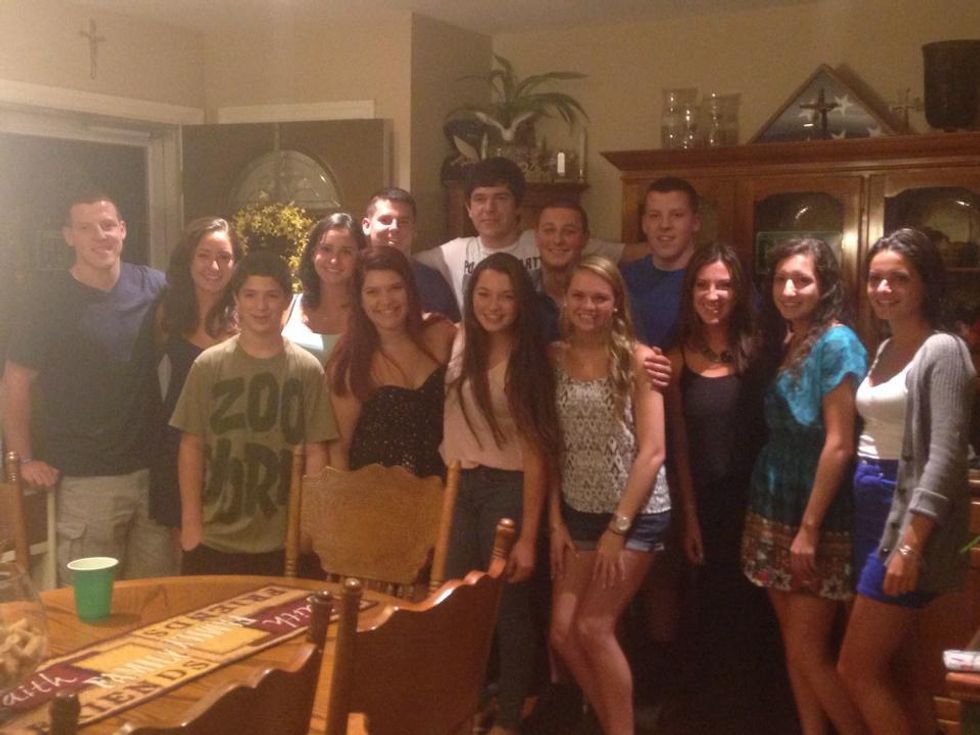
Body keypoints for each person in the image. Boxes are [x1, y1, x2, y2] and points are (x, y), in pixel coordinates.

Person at [838, 228, 976, 735]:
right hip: (871, 510)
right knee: (905, 672)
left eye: (899, 278)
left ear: (925, 283)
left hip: (906, 519)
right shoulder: (886, 346)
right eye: (876, 278)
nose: (884, 289)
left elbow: (945, 456)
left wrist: (911, 544)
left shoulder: (943, 350)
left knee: (855, 669)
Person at [2, 190, 175, 583]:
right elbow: (15, 382)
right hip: (84, 482)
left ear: (123, 230)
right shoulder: (46, 302)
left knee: (158, 600)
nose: (100, 236)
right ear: (69, 236)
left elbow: (203, 313)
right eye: (85, 228)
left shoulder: (154, 287)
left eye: (108, 225)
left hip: (153, 476)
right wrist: (24, 459)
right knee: (91, 605)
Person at [740, 237, 867, 735]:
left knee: (810, 652)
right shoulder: (790, 336)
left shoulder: (837, 342)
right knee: (795, 650)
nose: (789, 290)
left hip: (816, 508)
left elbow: (839, 444)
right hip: (774, 499)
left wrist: (809, 529)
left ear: (825, 285)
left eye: (802, 280)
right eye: (781, 279)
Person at [664, 242, 792, 731]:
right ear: (690, 291)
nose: (713, 295)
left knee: (760, 615)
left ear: (740, 291)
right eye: (703, 285)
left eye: (723, 285)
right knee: (712, 614)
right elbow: (679, 446)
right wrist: (689, 517)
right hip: (706, 507)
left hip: (761, 503)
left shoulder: (763, 349)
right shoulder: (676, 353)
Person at [546, 255, 670, 735]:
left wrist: (618, 529)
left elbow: (653, 452)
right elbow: (548, 446)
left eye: (600, 297)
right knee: (563, 632)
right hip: (578, 509)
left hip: (635, 512)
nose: (588, 306)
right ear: (565, 299)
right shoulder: (552, 358)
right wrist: (555, 521)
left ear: (616, 302)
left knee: (594, 627)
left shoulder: (638, 360)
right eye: (579, 295)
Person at [442, 252, 560, 735]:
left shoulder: (531, 360)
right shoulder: (459, 338)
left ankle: (509, 719)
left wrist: (530, 537)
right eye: (484, 294)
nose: (493, 306)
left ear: (522, 302)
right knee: (456, 605)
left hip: (506, 489)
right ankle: (463, 711)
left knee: (507, 608)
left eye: (507, 296)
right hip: (457, 487)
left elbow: (537, 455)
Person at [171, 250, 336, 576]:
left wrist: (308, 526)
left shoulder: (307, 370)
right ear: (236, 299)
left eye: (271, 295)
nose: (261, 306)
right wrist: (191, 523)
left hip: (284, 541)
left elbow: (317, 452)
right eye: (250, 295)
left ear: (286, 302)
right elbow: (191, 446)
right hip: (215, 537)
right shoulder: (208, 365)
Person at [328, 246, 455, 476]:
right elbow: (338, 451)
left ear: (410, 290)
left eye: (395, 288)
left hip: (444, 488)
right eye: (373, 292)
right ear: (359, 299)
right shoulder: (350, 363)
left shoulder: (441, 334)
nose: (386, 300)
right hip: (373, 492)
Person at [149, 217, 241, 531]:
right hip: (177, 440)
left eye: (224, 257)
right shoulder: (168, 311)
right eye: (204, 255)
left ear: (236, 264)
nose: (213, 266)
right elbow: (144, 371)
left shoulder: (246, 315)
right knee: (182, 539)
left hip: (232, 443)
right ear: (188, 259)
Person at [416, 157, 541, 309]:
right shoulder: (456, 252)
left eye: (501, 198)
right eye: (480, 199)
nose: (489, 208)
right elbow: (403, 261)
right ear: (469, 208)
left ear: (518, 206)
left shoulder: (542, 244)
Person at [621, 177, 701, 350]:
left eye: (677, 215)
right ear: (644, 224)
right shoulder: (623, 278)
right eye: (655, 216)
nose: (664, 225)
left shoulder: (718, 281)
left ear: (695, 222)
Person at [361, 187, 460, 321]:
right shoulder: (353, 275)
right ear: (366, 225)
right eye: (385, 220)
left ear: (414, 229)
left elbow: (450, 328)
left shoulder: (432, 282)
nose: (394, 228)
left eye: (403, 222)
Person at [283, 213, 365, 364]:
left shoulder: (369, 312)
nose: (334, 260)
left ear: (360, 258)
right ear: (313, 253)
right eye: (326, 249)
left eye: (346, 252)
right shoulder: (287, 307)